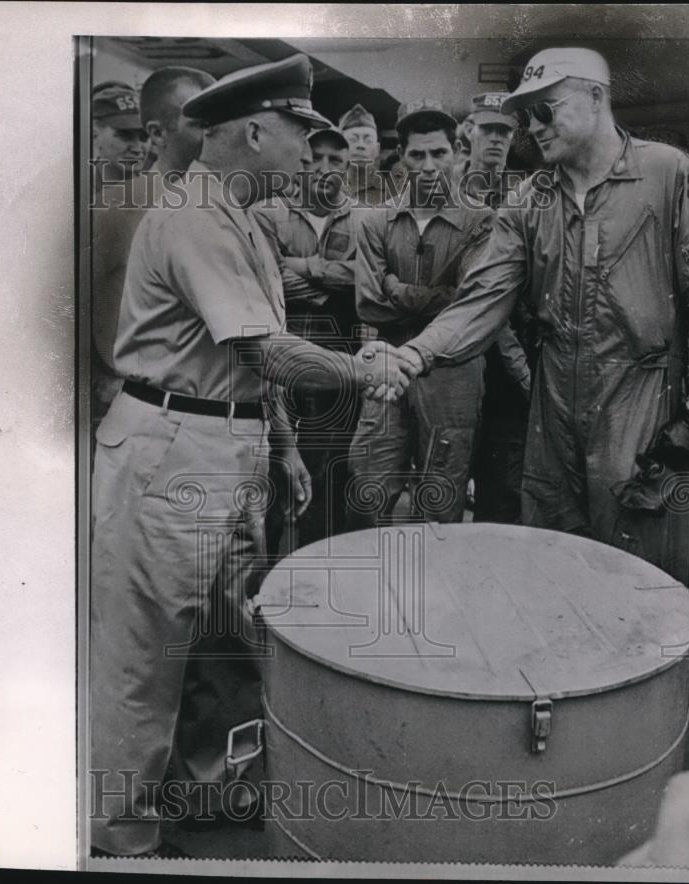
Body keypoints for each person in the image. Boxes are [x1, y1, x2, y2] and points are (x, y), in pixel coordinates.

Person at [89, 54, 415, 858]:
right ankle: (120, 839)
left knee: (229, 633)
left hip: (224, 439)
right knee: (146, 658)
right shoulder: (197, 216)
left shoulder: (239, 215)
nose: (312, 149)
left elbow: (244, 357)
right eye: (302, 131)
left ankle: (208, 792)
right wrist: (361, 369)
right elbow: (265, 347)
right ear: (254, 130)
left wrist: (285, 448)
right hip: (173, 444)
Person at [389, 47, 689, 584]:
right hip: (554, 402)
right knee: (554, 565)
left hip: (643, 405)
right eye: (525, 116)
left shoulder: (670, 175)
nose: (532, 127)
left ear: (595, 97)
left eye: (546, 110)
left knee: (643, 575)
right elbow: (480, 299)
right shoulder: (530, 199)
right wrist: (414, 354)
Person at [346, 98, 490, 528]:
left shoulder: (480, 222)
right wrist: (434, 295)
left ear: (458, 153)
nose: (428, 166)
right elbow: (369, 303)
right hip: (387, 364)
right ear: (402, 157)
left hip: (453, 372)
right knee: (369, 483)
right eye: (417, 154)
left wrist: (396, 287)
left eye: (439, 153)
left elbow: (470, 303)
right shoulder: (375, 222)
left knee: (441, 497)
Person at [252, 126, 360, 546]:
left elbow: (365, 280)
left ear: (349, 168)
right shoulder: (267, 213)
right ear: (301, 158)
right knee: (277, 462)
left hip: (339, 353)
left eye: (337, 160)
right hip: (278, 348)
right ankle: (264, 574)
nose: (324, 168)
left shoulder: (365, 218)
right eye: (316, 157)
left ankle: (317, 561)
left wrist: (304, 267)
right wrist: (330, 287)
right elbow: (269, 280)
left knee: (330, 465)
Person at [91, 67, 215, 428]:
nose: (215, 137)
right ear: (158, 133)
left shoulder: (221, 207)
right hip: (128, 403)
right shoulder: (117, 205)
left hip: (198, 407)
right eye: (202, 125)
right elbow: (65, 308)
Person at [456, 93, 534, 524]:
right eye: (489, 130)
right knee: (447, 476)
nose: (497, 140)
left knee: (504, 482)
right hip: (463, 348)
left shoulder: (525, 196)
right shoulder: (447, 191)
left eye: (505, 132)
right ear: (469, 131)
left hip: (509, 357)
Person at [91, 81, 150, 187]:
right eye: (125, 135)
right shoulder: (79, 190)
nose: (137, 149)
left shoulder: (157, 195)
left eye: (144, 136)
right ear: (94, 136)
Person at [339, 102, 386, 206]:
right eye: (353, 139)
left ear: (377, 149)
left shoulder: (390, 191)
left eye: (368, 140)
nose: (360, 145)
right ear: (340, 147)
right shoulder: (329, 186)